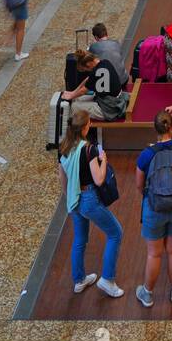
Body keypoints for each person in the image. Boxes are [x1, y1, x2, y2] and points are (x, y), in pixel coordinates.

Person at [58, 107, 124, 298]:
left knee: (80, 239)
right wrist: (103, 160)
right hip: (89, 197)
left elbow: (62, 176)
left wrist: (69, 196)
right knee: (115, 233)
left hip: (74, 198)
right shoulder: (89, 149)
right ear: (86, 127)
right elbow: (99, 179)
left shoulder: (64, 147)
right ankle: (107, 280)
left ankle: (79, 280)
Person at [135, 110, 172, 307]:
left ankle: (148, 294)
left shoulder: (146, 155)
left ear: (156, 129)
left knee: (154, 254)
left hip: (154, 207)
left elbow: (139, 185)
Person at [62, 49, 129, 121]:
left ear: (88, 64)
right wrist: (73, 93)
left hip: (111, 108)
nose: (87, 71)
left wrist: (70, 96)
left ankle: (76, 129)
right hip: (112, 99)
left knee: (74, 106)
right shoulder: (105, 62)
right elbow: (88, 79)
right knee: (77, 98)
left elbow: (83, 91)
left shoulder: (96, 73)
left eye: (85, 69)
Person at [89, 23, 132, 91]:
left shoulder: (93, 47)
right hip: (123, 80)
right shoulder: (117, 43)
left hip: (108, 84)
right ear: (106, 34)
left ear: (96, 37)